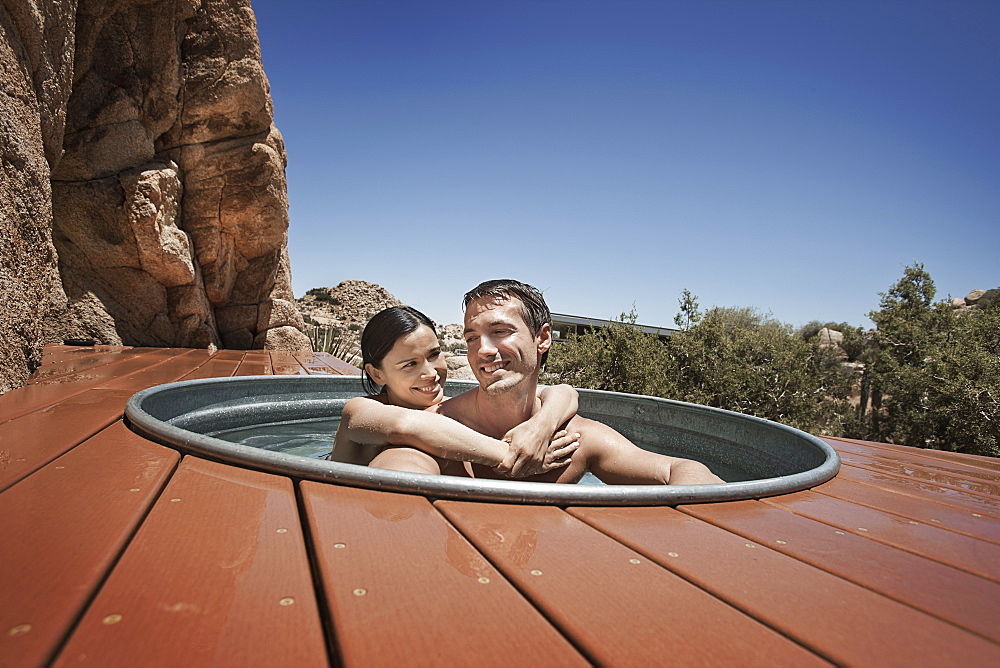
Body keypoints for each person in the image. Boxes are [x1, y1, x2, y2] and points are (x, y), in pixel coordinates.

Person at [423, 279, 723, 485]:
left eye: (500, 331)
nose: (483, 350)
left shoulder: (575, 440)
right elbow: (397, 473)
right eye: (472, 338)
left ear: (542, 339)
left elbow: (681, 469)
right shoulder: (439, 424)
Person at [329, 305, 582, 477]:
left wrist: (540, 428)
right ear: (376, 373)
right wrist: (517, 456)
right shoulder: (361, 410)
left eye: (434, 354)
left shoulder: (450, 409)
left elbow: (564, 391)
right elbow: (408, 425)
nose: (430, 372)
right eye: (410, 364)